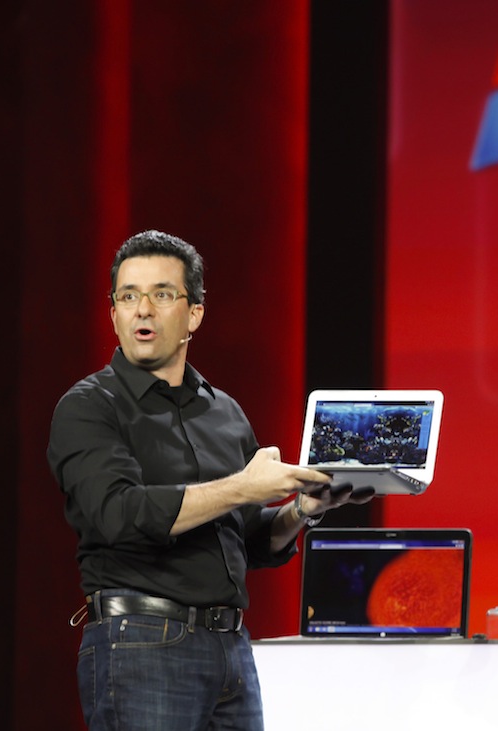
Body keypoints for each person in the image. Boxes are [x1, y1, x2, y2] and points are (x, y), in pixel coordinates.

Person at [48, 230, 373, 730]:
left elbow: (244, 540)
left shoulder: (224, 412)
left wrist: (300, 511)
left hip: (230, 648)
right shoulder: (88, 407)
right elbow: (120, 514)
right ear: (113, 314)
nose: (142, 310)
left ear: (194, 314)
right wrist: (243, 486)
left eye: (161, 294)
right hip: (142, 644)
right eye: (128, 297)